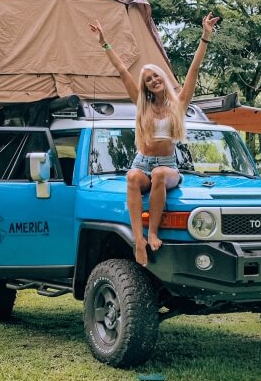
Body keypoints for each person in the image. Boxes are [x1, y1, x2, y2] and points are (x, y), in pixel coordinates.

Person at [89, 13, 220, 266]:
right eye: (148, 80)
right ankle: (138, 240)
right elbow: (122, 70)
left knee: (159, 173)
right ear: (146, 87)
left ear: (163, 78)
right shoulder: (142, 107)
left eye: (156, 76)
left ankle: (153, 233)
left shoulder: (179, 104)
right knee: (131, 178)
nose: (154, 80)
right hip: (142, 162)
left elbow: (194, 69)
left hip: (167, 164)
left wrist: (205, 36)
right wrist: (104, 43)